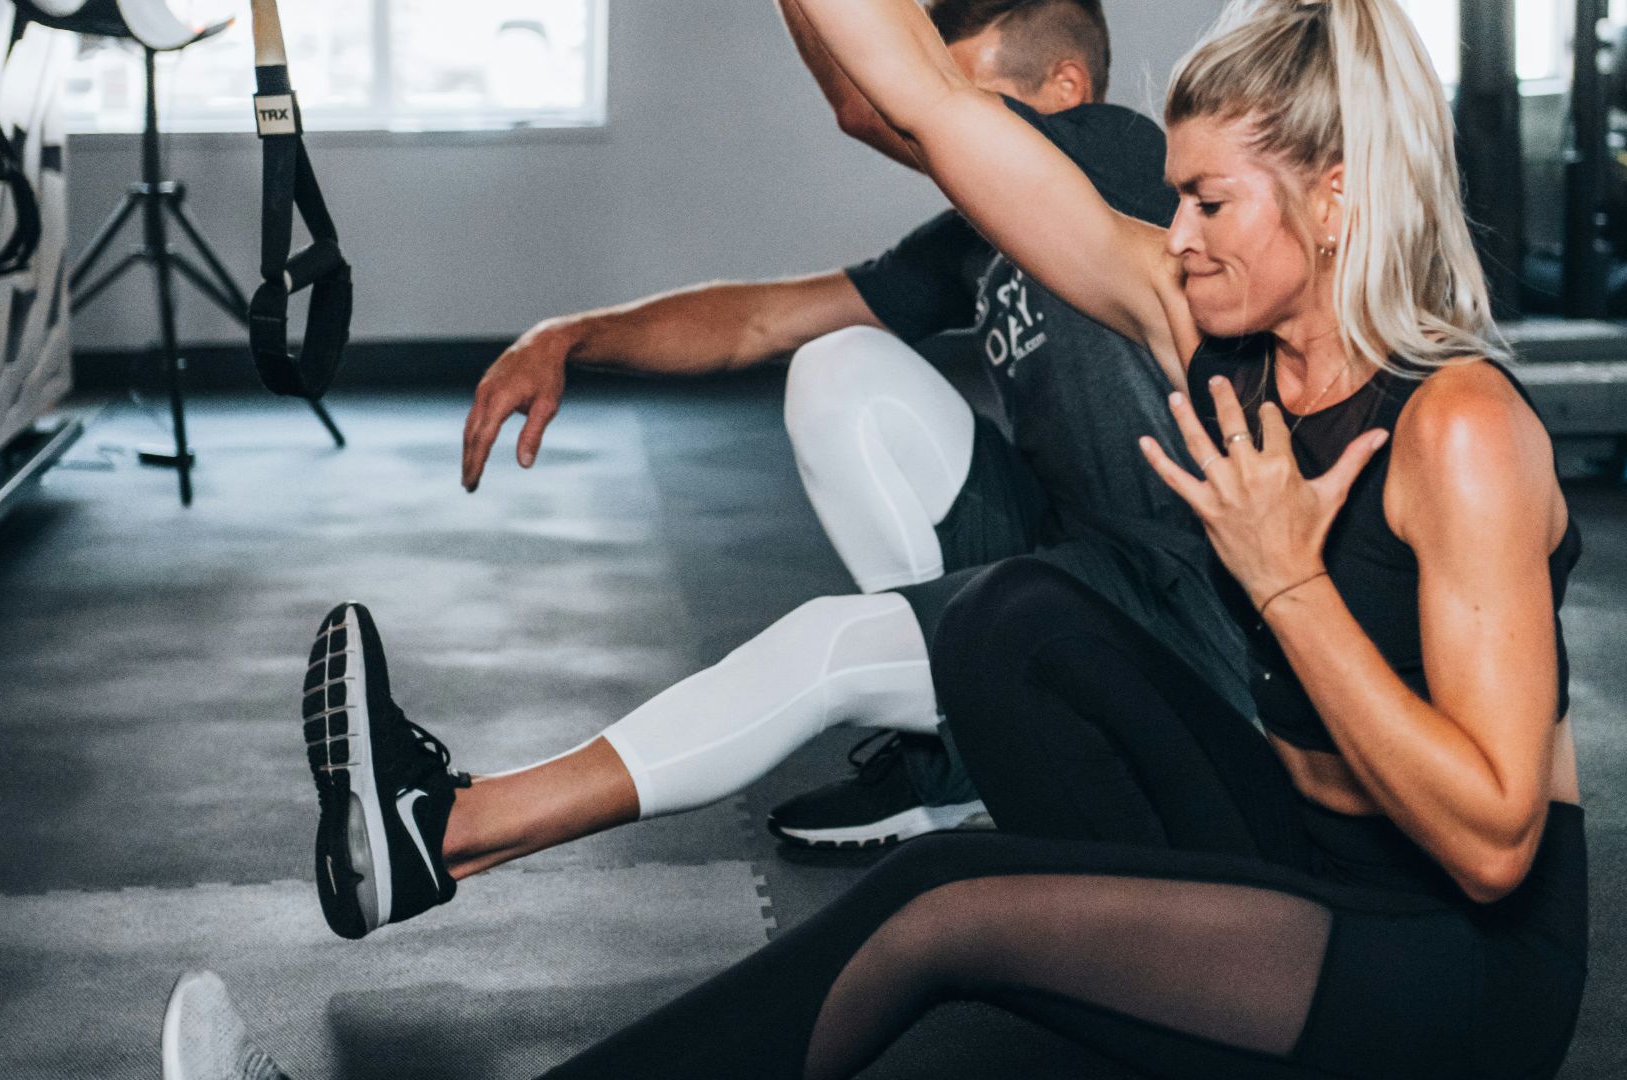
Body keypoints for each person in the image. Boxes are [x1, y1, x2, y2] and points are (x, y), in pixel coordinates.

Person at [177, 0, 1588, 1075]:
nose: (1178, 233)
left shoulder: (1458, 429)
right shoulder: (1214, 334)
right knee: (1008, 615)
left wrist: (1286, 581)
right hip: (1293, 848)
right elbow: (921, 96)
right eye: (1179, 199)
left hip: (1455, 969)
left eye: (1210, 202)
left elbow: (1492, 845)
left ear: (1334, 202)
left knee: (939, 907)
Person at [306, 0, 1260, 943]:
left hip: (1176, 612)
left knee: (827, 649)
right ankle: (959, 750)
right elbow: (760, 322)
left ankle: (447, 828)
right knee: (838, 365)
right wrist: (574, 335)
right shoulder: (978, 243)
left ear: (1066, 88)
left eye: (982, 102)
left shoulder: (1123, 158)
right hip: (1068, 558)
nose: (966, 144)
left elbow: (884, 106)